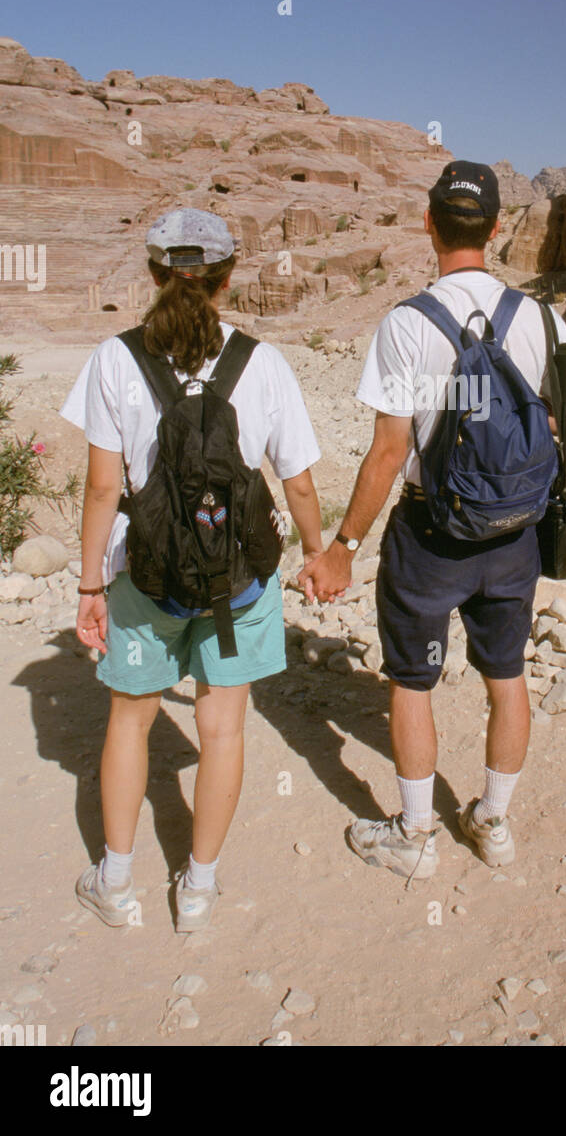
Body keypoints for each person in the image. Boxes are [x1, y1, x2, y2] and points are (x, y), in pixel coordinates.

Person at [301, 161, 566, 881]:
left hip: (431, 537)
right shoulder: (541, 317)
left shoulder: (406, 323)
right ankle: (492, 823)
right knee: (506, 676)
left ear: (427, 223)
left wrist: (341, 548)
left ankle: (415, 836)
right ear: (497, 229)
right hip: (515, 534)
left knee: (412, 683)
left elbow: (388, 451)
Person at [60, 208, 323, 930]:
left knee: (128, 722)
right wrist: (318, 551)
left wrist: (89, 585)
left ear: (153, 274)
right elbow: (297, 479)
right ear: (228, 276)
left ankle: (115, 883)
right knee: (224, 728)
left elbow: (103, 488)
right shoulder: (262, 362)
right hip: (237, 577)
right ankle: (198, 889)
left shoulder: (116, 358)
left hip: (144, 577)